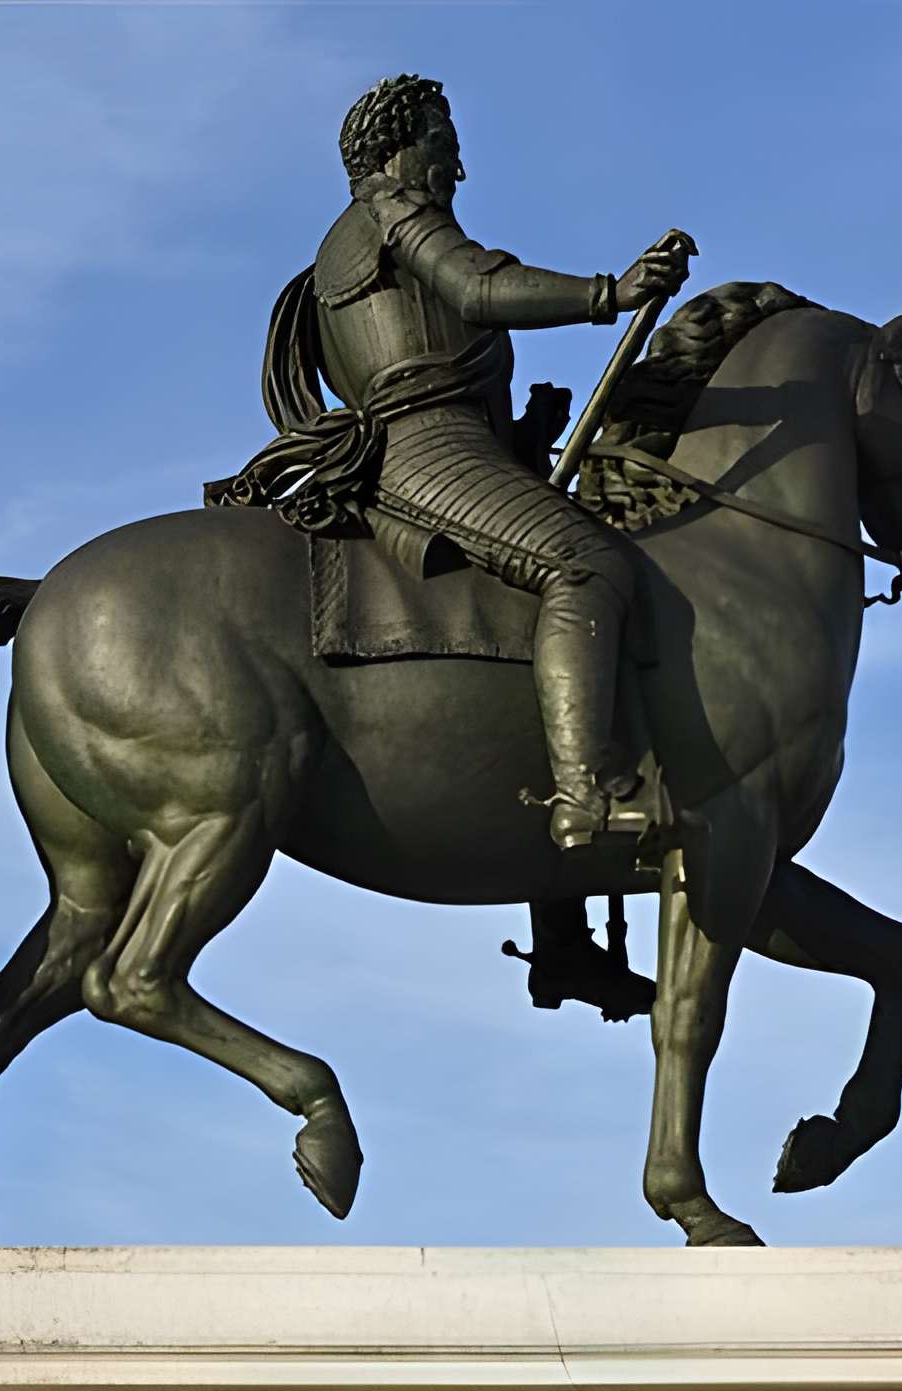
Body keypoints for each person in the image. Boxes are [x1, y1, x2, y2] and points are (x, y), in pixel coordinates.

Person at [212, 72, 695, 850]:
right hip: (430, 452)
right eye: (442, 145)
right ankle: (587, 794)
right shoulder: (391, 211)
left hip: (449, 444)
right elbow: (477, 288)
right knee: (587, 566)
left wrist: (523, 433)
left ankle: (563, 923)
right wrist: (613, 291)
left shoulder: (349, 243)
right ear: (396, 151)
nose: (455, 169)